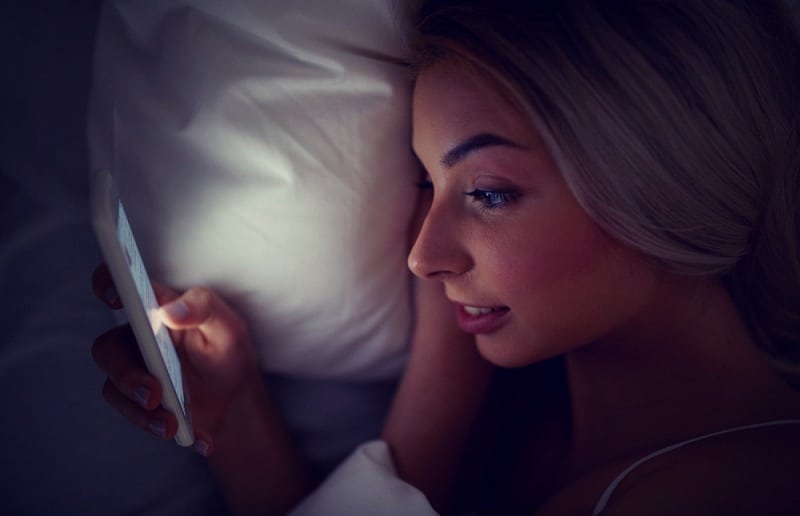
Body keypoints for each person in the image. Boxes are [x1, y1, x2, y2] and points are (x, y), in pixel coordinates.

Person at [93, 0, 800, 514]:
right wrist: (238, 410)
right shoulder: (530, 419)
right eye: (426, 182)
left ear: (660, 176)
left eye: (489, 192)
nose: (422, 259)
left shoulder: (742, 488)